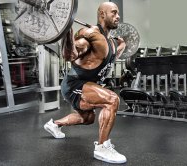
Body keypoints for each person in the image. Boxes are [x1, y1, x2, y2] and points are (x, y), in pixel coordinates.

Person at [44, 2, 127, 164]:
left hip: (87, 86)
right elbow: (70, 55)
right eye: (114, 13)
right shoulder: (90, 34)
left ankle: (54, 124)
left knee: (87, 118)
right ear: (102, 15)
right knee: (111, 100)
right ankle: (102, 148)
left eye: (118, 14)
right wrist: (67, 32)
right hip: (75, 84)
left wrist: (122, 44)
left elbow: (111, 56)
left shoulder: (110, 41)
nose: (118, 17)